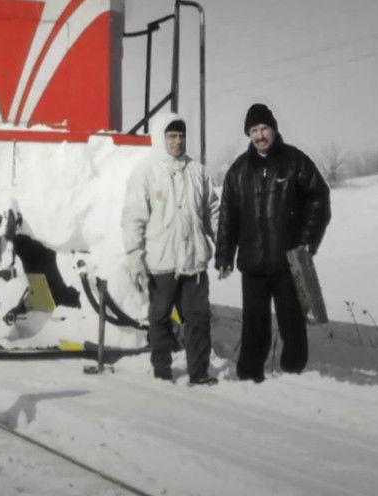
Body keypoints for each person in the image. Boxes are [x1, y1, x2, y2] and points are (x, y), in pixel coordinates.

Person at [214, 103, 331, 382]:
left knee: (292, 324)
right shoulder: (238, 171)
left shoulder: (294, 162)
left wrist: (304, 243)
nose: (260, 135)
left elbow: (319, 198)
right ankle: (249, 376)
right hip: (253, 264)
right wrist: (224, 256)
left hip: (287, 262)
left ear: (274, 129)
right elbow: (228, 216)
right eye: (253, 130)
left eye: (264, 128)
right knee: (254, 327)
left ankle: (293, 374)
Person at [122, 113, 219, 385]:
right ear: (160, 138)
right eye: (171, 136)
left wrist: (222, 244)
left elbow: (213, 211)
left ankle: (198, 372)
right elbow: (133, 219)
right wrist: (135, 258)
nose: (177, 142)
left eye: (180, 136)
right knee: (160, 318)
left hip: (194, 260)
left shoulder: (199, 172)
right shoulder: (145, 173)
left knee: (198, 319)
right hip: (161, 262)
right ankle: (162, 370)